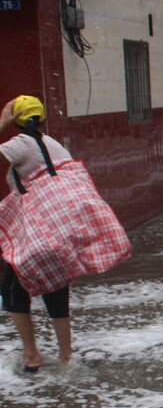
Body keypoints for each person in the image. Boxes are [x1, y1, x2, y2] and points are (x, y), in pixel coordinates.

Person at [0, 95, 130, 372]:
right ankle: (66, 356)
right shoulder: (54, 144)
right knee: (56, 287)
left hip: (37, 233)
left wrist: (2, 122)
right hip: (62, 229)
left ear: (17, 121)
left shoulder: (22, 144)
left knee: (12, 290)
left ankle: (32, 354)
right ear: (42, 118)